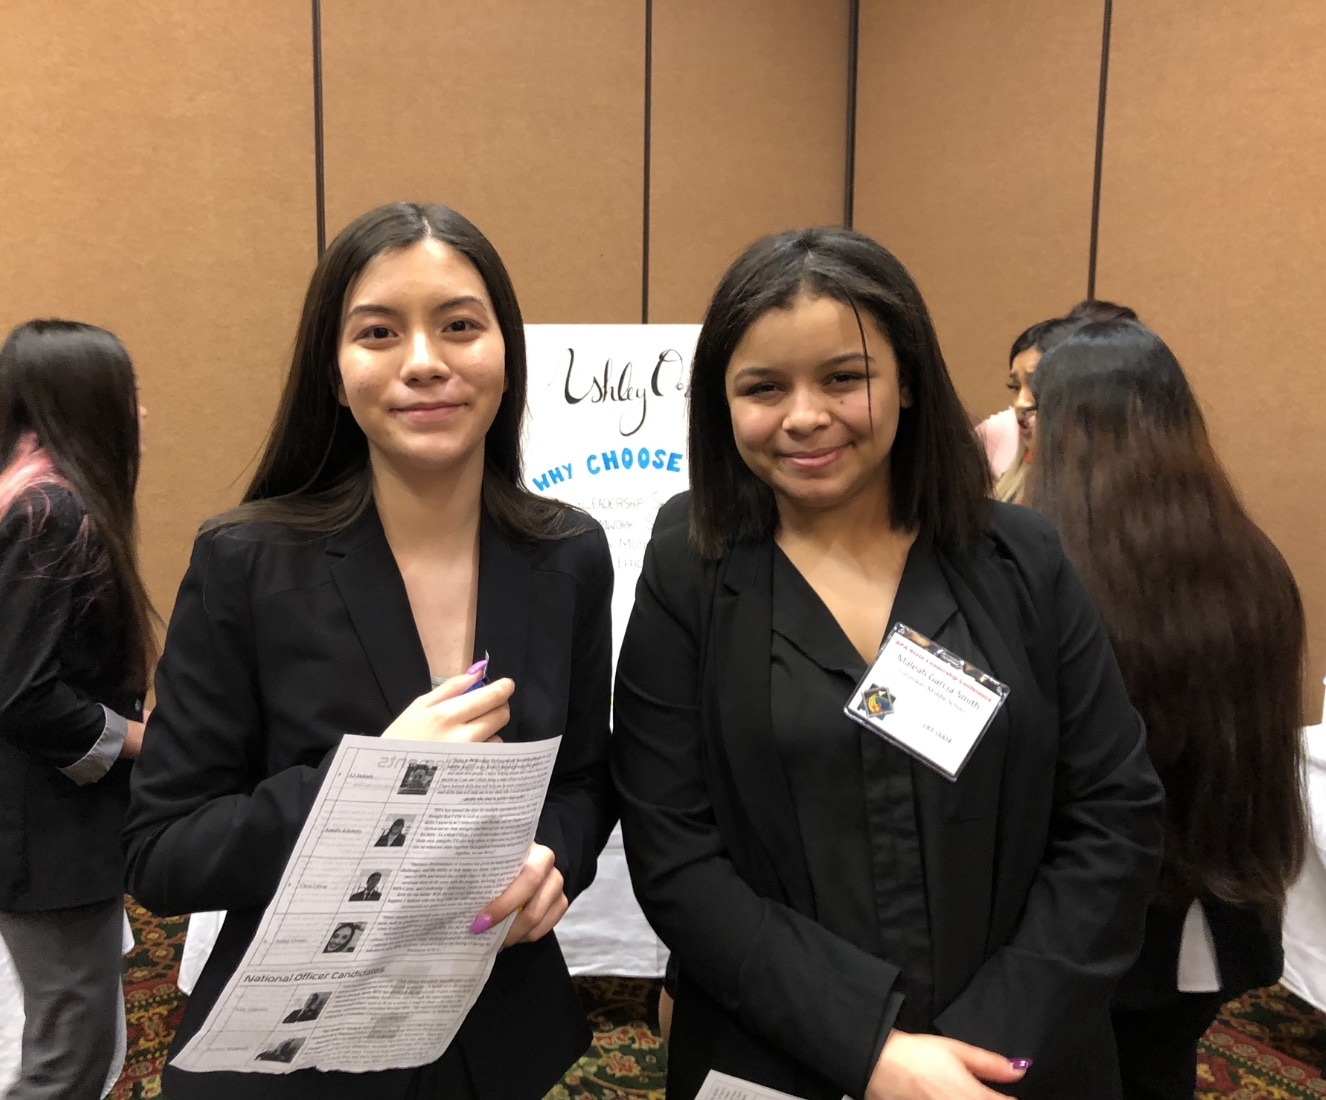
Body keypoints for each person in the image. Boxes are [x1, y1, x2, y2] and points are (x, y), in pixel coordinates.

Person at [612, 228, 1165, 1100]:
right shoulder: (688, 568)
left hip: (1017, 1059)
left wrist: (985, 1045)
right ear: (722, 402)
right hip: (774, 1053)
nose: (804, 416)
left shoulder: (1022, 559)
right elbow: (672, 851)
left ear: (907, 379)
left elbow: (1114, 811)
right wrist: (875, 1052)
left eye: (843, 377)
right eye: (763, 387)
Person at [123, 202, 617, 1100]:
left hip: (493, 1037)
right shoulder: (248, 561)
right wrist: (379, 779)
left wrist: (553, 861)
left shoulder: (567, 554)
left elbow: (583, 779)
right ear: (334, 374)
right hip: (294, 1051)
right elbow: (162, 853)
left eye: (460, 326)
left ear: (506, 353)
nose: (425, 362)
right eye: (379, 332)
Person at [1027, 319, 1308, 1100]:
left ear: (1070, 429)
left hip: (1088, 919)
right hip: (1214, 911)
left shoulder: (1049, 575)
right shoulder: (1256, 565)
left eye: (1031, 407)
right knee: (1158, 1072)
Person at [0, 320, 156, 1100]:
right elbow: (21, 694)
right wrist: (141, 742)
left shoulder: (25, 498)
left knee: (72, 1039)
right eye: (128, 396)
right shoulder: (50, 514)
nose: (141, 415)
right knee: (72, 1053)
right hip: (43, 836)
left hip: (41, 832)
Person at [979, 300, 1137, 494]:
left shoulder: (1119, 484)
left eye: (1037, 384)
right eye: (1015, 387)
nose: (1021, 403)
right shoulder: (1003, 441)